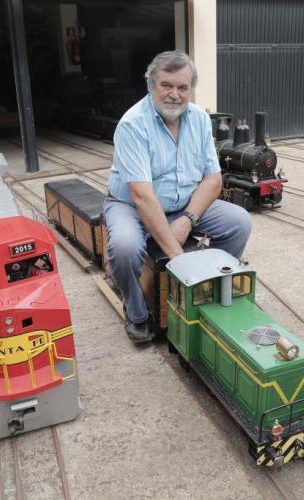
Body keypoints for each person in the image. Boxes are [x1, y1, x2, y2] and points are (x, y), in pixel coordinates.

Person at [104, 50, 252, 344]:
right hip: (131, 206)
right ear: (151, 85)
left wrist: (187, 219)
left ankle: (212, 287)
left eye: (183, 87)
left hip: (183, 203)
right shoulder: (133, 124)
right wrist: (181, 261)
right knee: (124, 248)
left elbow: (213, 179)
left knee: (239, 222)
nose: (174, 94)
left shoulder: (199, 119)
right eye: (166, 85)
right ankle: (136, 312)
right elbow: (142, 196)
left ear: (190, 89)